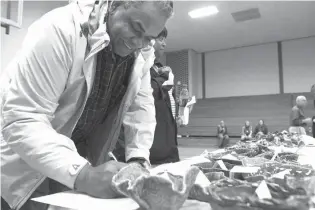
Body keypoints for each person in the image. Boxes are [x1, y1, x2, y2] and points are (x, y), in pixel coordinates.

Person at [0, 1, 174, 209]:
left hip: (78, 159)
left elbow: (141, 108)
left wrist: (138, 159)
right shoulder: (60, 29)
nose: (139, 43)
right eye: (136, 28)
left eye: (149, 38)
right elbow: (24, 118)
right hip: (27, 159)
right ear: (115, 5)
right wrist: (84, 174)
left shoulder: (142, 54)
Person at [113, 28, 180, 165]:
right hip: (145, 151)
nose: (164, 44)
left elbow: (165, 106)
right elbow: (135, 108)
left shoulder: (162, 71)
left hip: (167, 147)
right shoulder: (132, 65)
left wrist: (179, 106)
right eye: (160, 39)